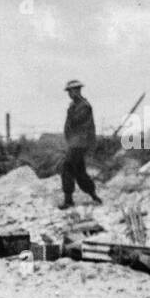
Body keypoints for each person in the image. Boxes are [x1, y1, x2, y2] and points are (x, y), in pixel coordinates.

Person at [61, 81, 102, 209]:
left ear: (78, 91)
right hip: (75, 143)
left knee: (67, 168)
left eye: (72, 91)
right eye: (69, 91)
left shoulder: (83, 106)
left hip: (80, 143)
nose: (70, 94)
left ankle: (68, 200)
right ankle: (94, 196)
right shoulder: (75, 105)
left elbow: (75, 123)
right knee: (79, 172)